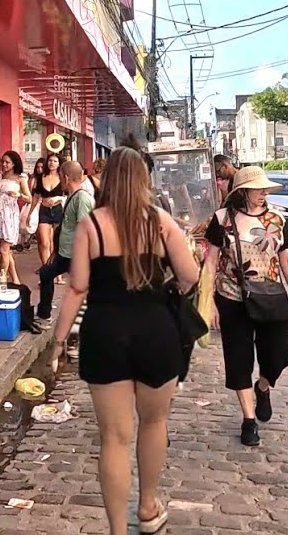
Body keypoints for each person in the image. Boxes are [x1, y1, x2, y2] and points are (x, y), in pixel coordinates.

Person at [51, 147, 199, 535]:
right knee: (154, 423)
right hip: (156, 331)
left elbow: (77, 288)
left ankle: (118, 529)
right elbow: (190, 276)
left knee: (114, 439)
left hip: (105, 332)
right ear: (143, 179)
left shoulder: (91, 225)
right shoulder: (161, 222)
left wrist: (58, 340)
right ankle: (148, 507)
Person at [203, 166, 288, 447]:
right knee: (238, 359)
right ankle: (248, 419)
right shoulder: (222, 220)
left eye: (266, 189)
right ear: (242, 191)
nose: (264, 193)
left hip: (271, 297)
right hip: (232, 297)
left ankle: (263, 386)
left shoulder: (276, 219)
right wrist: (209, 302)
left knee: (279, 356)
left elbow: (286, 261)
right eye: (258, 189)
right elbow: (210, 262)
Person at [37, 160, 94, 321]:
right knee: (46, 273)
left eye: (61, 177)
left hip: (75, 254)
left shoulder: (81, 198)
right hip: (65, 252)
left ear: (66, 178)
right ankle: (44, 313)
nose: (60, 180)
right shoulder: (72, 196)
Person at [0, 151, 32, 287]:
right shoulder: (0, 176)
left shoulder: (20, 178)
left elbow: (29, 198)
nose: (4, 164)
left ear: (14, 163)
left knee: (3, 250)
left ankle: (2, 279)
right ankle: (15, 279)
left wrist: (18, 195)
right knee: (6, 251)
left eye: (7, 162)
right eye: (3, 162)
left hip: (9, 215)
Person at [28, 154, 65, 269]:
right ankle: (46, 270)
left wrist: (58, 198)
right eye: (50, 160)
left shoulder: (63, 177)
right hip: (44, 210)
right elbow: (36, 196)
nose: (52, 163)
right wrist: (30, 212)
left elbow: (68, 194)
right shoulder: (41, 177)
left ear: (59, 164)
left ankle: (57, 271)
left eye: (55, 161)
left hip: (58, 209)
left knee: (56, 243)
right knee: (44, 243)